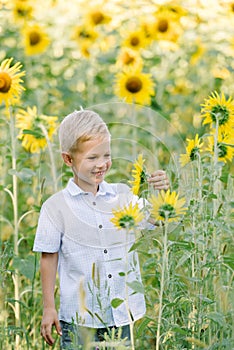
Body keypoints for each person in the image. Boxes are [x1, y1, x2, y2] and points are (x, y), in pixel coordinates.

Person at [33, 109, 169, 349]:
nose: (102, 164)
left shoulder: (122, 196)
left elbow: (158, 219)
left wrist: (161, 192)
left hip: (120, 314)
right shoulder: (55, 207)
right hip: (78, 319)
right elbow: (48, 257)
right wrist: (48, 308)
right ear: (68, 160)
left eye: (106, 155)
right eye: (92, 158)